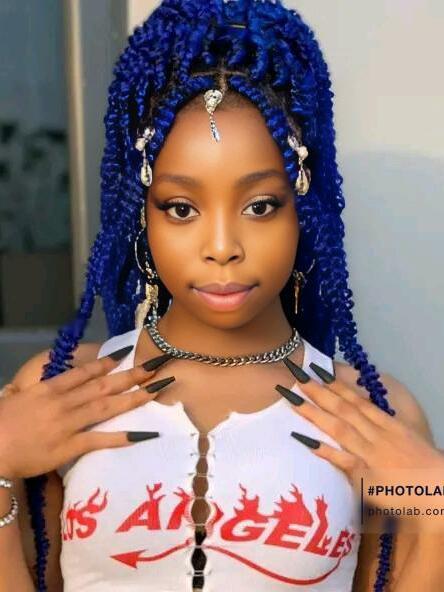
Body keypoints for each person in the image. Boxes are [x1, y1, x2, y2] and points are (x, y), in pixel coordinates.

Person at [0, 1, 442, 590]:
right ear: (142, 213)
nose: (222, 247)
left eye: (260, 206)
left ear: (303, 209)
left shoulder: (374, 414)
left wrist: (437, 505)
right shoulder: (61, 391)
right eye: (181, 208)